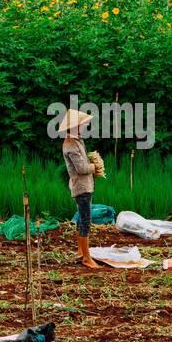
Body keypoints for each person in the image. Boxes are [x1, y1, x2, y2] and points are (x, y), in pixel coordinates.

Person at [57, 107, 102, 269]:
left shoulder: (77, 141)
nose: (84, 126)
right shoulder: (70, 145)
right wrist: (94, 167)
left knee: (82, 221)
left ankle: (81, 252)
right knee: (86, 222)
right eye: (82, 124)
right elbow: (82, 168)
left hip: (85, 185)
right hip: (81, 187)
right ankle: (86, 258)